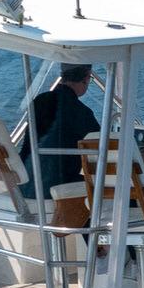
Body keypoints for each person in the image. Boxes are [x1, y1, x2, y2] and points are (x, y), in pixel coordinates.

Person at [28, 64, 102, 204]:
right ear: (85, 79)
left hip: (29, 184)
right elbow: (105, 151)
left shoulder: (39, 101)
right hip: (56, 187)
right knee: (122, 186)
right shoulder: (81, 112)